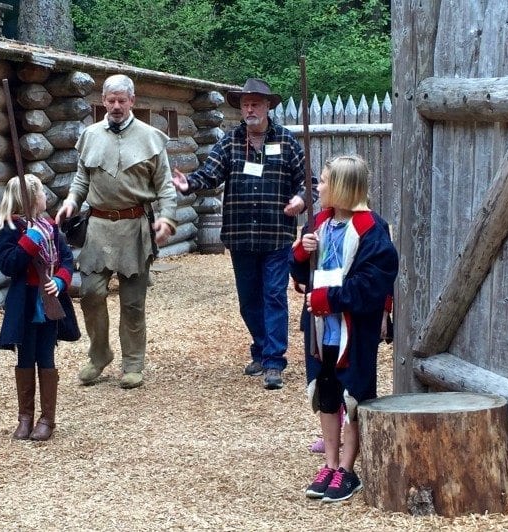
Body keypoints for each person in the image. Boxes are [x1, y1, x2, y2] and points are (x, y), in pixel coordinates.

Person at [172, 78, 311, 390]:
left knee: (274, 295)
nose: (250, 108)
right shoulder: (230, 142)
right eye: (246, 103)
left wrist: (301, 199)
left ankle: (274, 361)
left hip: (277, 235)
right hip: (241, 236)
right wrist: (189, 183)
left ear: (268, 107)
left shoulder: (287, 142)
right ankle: (261, 349)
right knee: (249, 301)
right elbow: (209, 174)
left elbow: (309, 182)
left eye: (256, 103)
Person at [55, 74, 177, 390]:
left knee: (133, 301)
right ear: (104, 101)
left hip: (135, 228)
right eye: (111, 100)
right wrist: (71, 202)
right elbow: (81, 179)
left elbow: (165, 186)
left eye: (122, 100)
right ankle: (99, 354)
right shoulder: (90, 135)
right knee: (91, 293)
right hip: (97, 227)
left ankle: (133, 364)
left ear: (132, 101)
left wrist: (167, 219)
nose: (116, 106)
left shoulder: (151, 138)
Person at [289, 155, 398, 502]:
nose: (317, 188)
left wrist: (329, 299)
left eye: (322, 182)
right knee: (326, 392)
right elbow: (298, 275)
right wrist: (302, 255)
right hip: (322, 330)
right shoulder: (318, 224)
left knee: (353, 395)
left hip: (354, 329)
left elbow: (372, 284)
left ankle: (349, 471)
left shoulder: (371, 229)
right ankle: (331, 463)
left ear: (342, 187)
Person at [0, 174, 74, 441]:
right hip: (25, 304)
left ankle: (47, 420)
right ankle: (25, 418)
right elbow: (9, 264)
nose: (45, 197)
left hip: (49, 303)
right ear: (29, 199)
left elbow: (66, 260)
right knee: (25, 358)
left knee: (46, 357)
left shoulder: (50, 227)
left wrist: (61, 282)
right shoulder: (11, 229)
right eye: (41, 192)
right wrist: (29, 240)